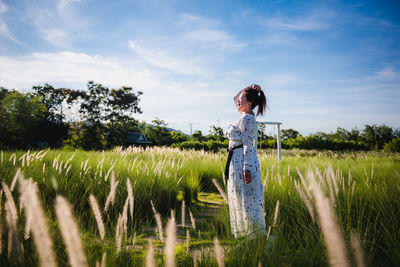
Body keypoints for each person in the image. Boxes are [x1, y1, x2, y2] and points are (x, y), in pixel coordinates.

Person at [225, 84, 267, 238]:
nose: (238, 100)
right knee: (241, 197)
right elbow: (234, 98)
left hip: (242, 161)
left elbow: (249, 145)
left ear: (249, 102)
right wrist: (249, 87)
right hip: (236, 161)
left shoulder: (248, 119)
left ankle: (252, 237)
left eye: (242, 98)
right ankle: (247, 237)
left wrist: (246, 168)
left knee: (247, 200)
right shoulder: (243, 117)